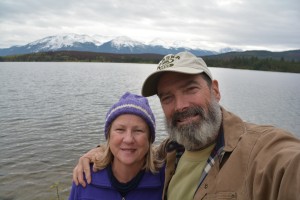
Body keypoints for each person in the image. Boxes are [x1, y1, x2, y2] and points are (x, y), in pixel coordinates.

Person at [73, 52, 300, 200]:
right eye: (167, 97)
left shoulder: (261, 153)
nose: (180, 106)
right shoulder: (172, 151)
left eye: (190, 89)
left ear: (215, 90)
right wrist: (99, 154)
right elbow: (134, 150)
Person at [69, 92, 164, 200]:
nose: (128, 139)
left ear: (149, 139)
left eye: (138, 130)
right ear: (109, 136)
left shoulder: (165, 178)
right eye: (120, 130)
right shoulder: (84, 177)